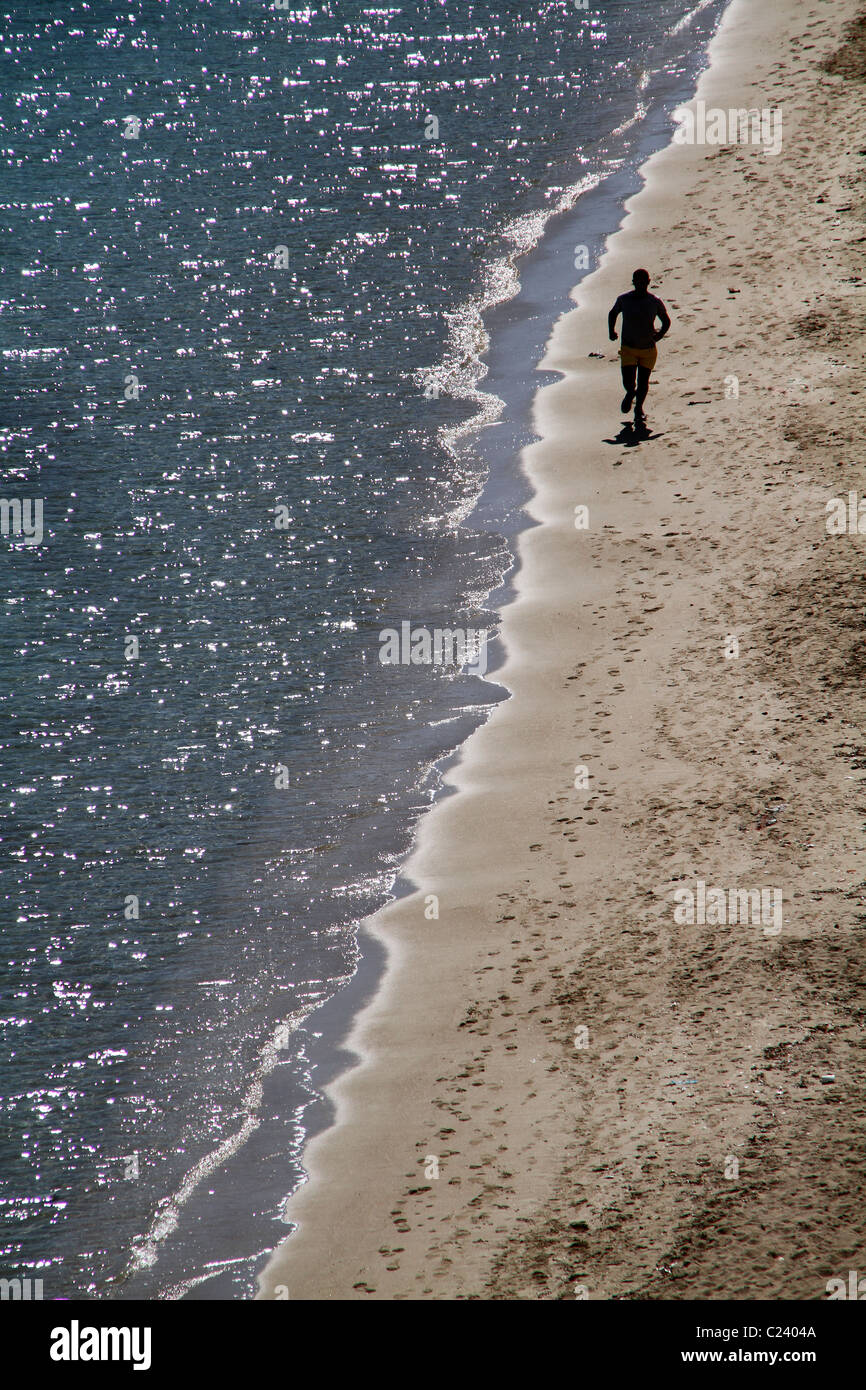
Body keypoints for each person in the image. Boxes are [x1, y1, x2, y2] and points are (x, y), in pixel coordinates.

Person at [608, 269, 671, 421]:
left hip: (648, 349)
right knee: (628, 382)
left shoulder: (654, 301)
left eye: (643, 282)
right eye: (638, 281)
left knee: (643, 381)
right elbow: (612, 313)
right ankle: (630, 393)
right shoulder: (624, 299)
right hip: (629, 348)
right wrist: (611, 331)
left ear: (648, 282)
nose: (641, 284)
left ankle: (639, 409)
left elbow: (666, 321)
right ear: (633, 282)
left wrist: (659, 336)